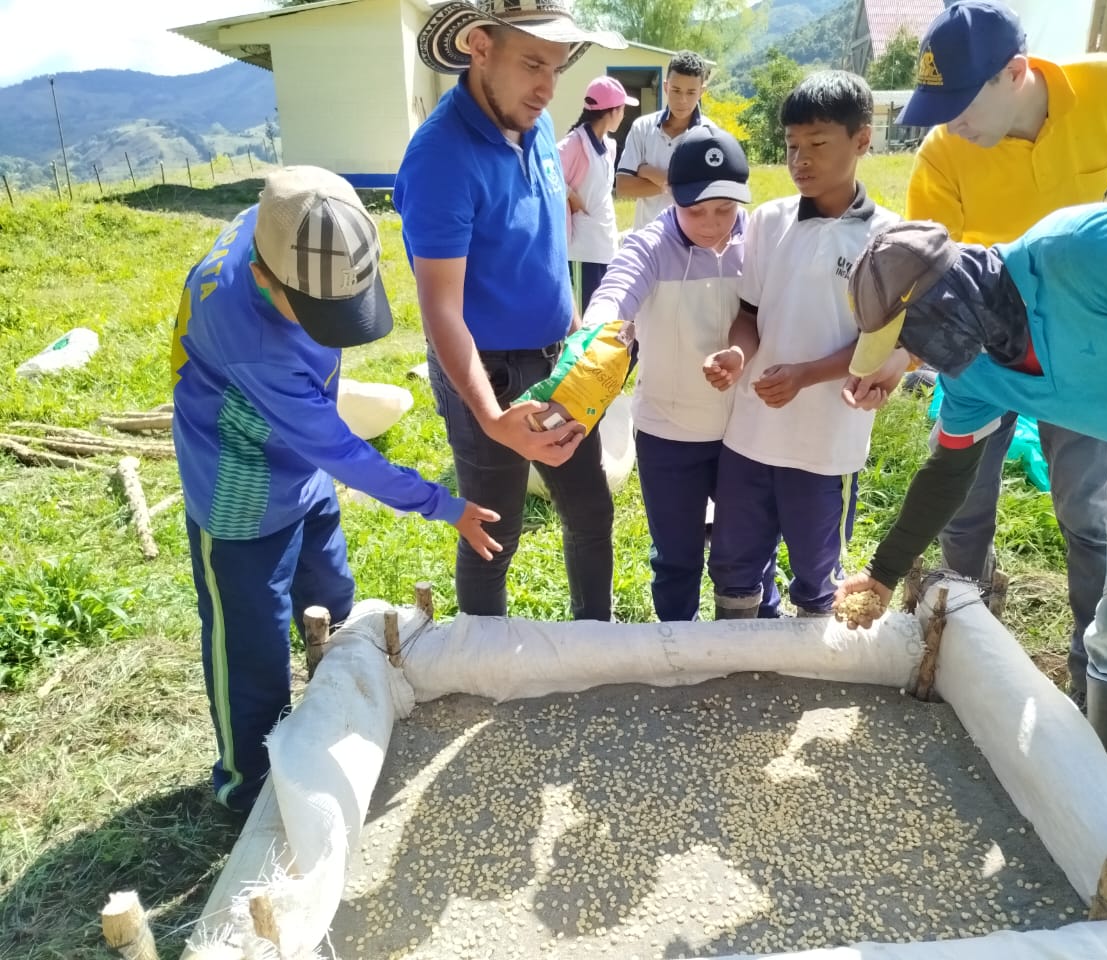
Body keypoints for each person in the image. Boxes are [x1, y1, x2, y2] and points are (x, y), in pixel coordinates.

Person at [837, 203, 1107, 894]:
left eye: (913, 335)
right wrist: (882, 573)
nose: (916, 357)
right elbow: (949, 472)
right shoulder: (974, 372)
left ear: (950, 299)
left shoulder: (1083, 251)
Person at [894, 0, 1107, 709]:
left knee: (1086, 511)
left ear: (1015, 73)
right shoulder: (944, 154)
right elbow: (932, 270)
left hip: (1088, 351)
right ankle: (963, 641)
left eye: (960, 102)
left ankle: (1095, 666)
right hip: (988, 350)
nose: (950, 122)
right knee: (965, 502)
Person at [171, 165, 501, 812]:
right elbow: (343, 452)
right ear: (265, 277)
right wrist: (443, 504)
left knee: (330, 595)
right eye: (319, 315)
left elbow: (320, 445)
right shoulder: (254, 342)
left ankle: (341, 705)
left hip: (300, 462)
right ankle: (249, 788)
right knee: (251, 650)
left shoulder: (290, 221)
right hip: (242, 488)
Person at [395, 0, 624, 620]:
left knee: (590, 511)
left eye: (556, 67)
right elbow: (441, 308)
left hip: (557, 357)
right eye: (531, 64)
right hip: (487, 371)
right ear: (479, 46)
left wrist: (577, 342)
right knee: (492, 531)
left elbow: (547, 248)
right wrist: (494, 417)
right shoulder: (441, 158)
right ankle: (482, 654)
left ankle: (595, 640)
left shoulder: (536, 123)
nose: (547, 89)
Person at [702, 71, 903, 620]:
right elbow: (749, 315)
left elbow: (881, 343)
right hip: (751, 432)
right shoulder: (769, 221)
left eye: (817, 143)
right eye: (792, 145)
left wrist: (805, 375)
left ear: (862, 140)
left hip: (826, 444)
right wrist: (738, 354)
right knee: (734, 563)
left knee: (817, 573)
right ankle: (736, 657)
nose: (800, 160)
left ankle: (812, 656)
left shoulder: (888, 239)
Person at [583, 127, 779, 620]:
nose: (712, 225)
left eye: (725, 209)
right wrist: (598, 330)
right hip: (668, 433)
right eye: (696, 211)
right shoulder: (649, 246)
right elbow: (615, 291)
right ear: (672, 196)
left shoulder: (758, 242)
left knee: (751, 548)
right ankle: (678, 644)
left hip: (745, 434)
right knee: (676, 557)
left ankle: (759, 636)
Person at [559, 75, 637, 315]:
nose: (623, 115)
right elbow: (545, 173)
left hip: (605, 247)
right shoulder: (576, 142)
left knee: (602, 316)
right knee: (584, 320)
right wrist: (571, 195)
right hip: (582, 249)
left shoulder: (608, 146)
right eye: (622, 109)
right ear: (612, 111)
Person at [615, 50, 716, 230]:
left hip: (689, 240)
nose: (682, 100)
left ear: (702, 91)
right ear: (665, 87)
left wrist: (648, 171)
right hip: (646, 238)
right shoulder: (643, 127)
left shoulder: (710, 135)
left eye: (691, 92)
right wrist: (674, 185)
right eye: (676, 90)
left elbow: (705, 194)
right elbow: (623, 186)